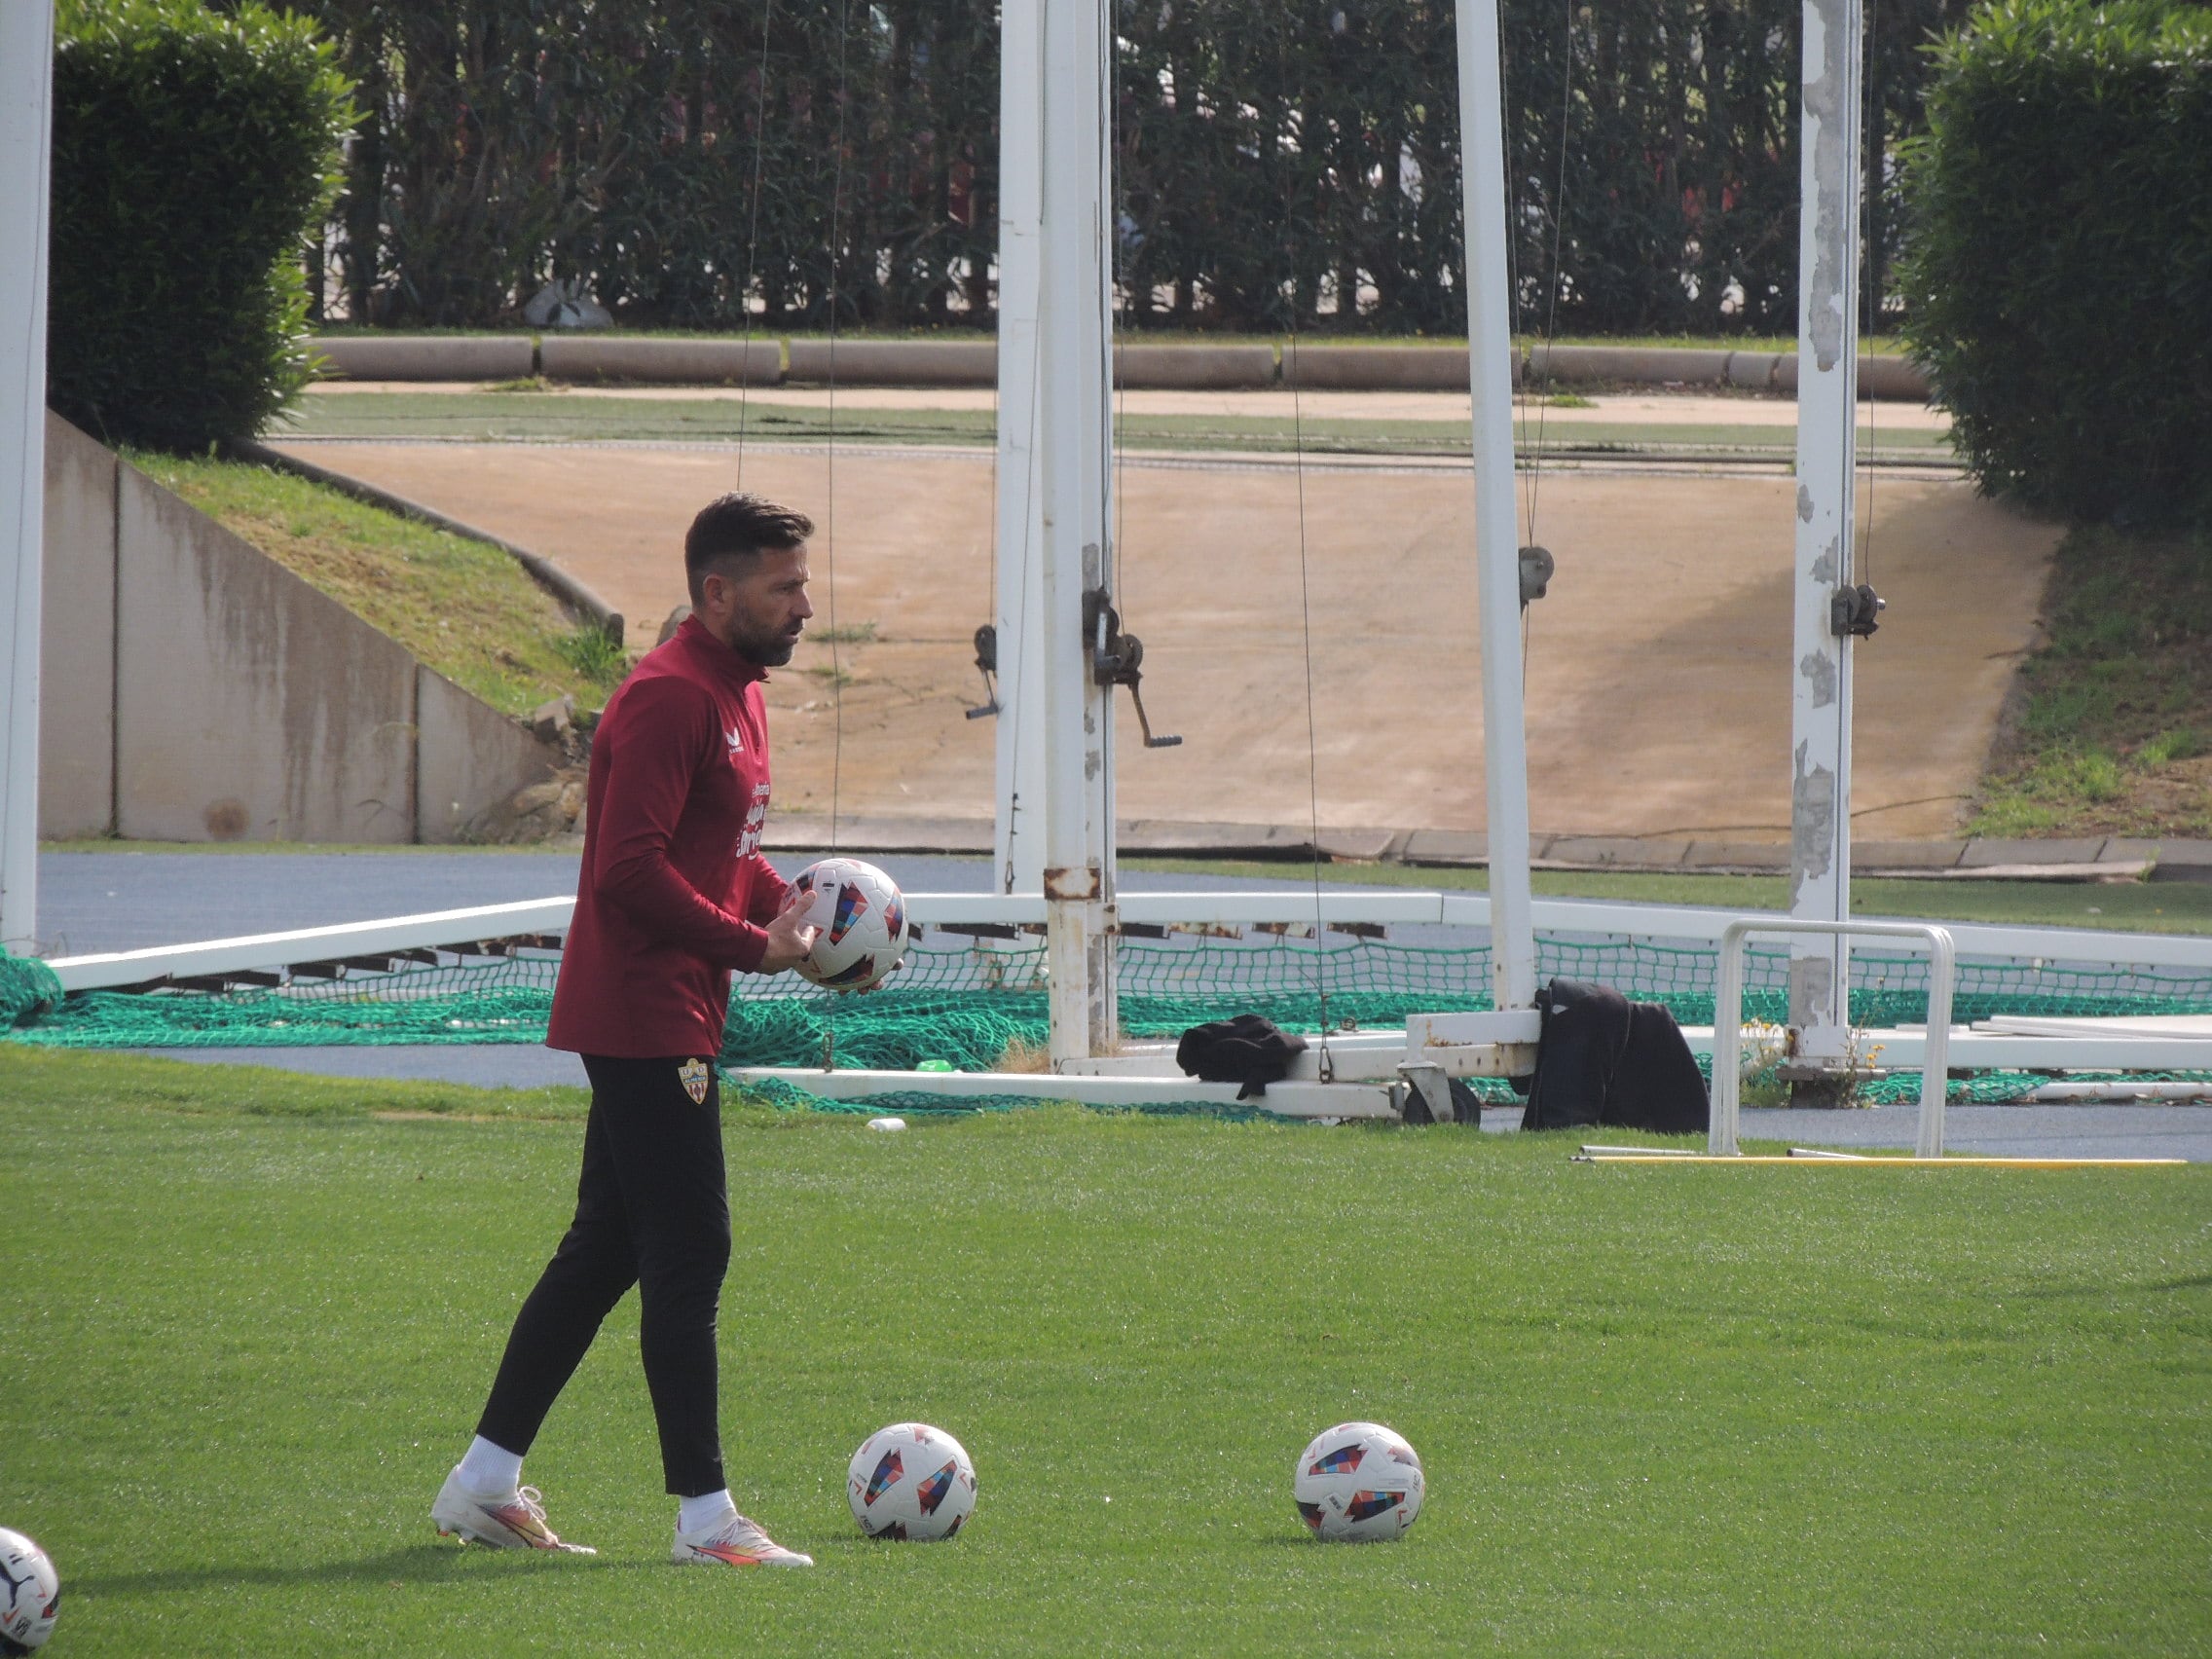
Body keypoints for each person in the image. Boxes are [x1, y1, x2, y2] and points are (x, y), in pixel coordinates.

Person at [431, 494, 823, 1567]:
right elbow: (628, 871)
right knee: (690, 1245)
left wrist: (796, 911)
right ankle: (706, 1520)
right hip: (645, 1013)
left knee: (607, 1247)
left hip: (675, 1005)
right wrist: (756, 949)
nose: (803, 606)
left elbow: (721, 854)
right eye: (783, 586)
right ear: (717, 589)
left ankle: (483, 1483)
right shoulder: (665, 697)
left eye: (802, 584)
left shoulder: (739, 693)